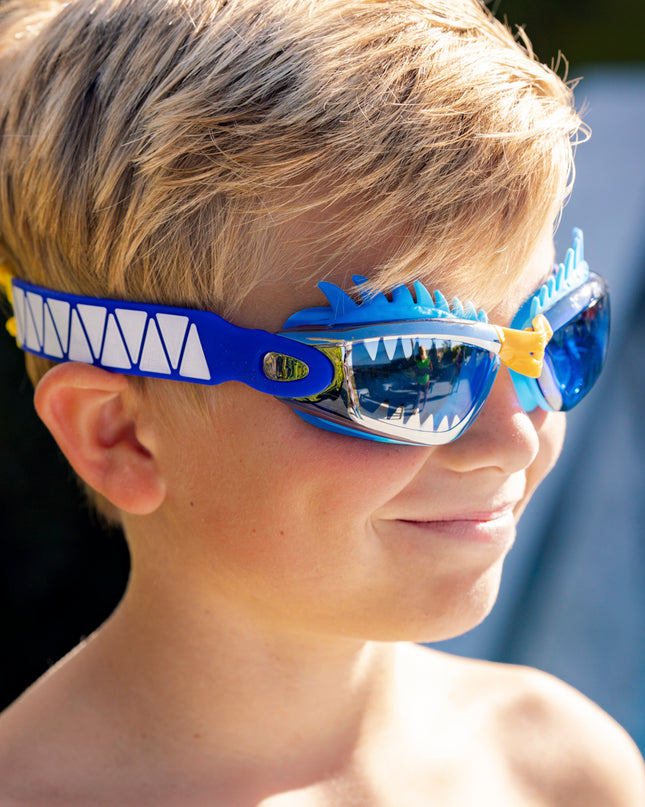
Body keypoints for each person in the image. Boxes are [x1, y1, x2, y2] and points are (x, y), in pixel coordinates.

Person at [0, 0, 643, 803]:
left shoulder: (562, 769)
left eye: (555, 335)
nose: (511, 437)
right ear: (121, 433)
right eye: (406, 368)